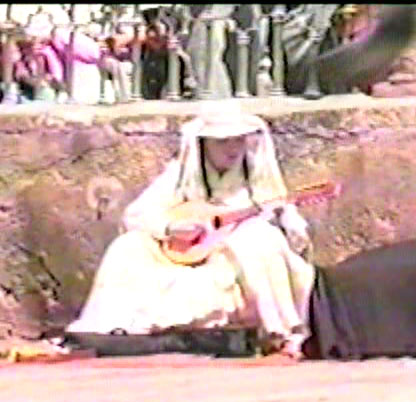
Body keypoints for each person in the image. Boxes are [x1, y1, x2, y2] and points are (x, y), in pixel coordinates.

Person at [65, 105, 316, 359]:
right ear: (205, 143)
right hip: (187, 253)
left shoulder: (256, 173)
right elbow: (136, 214)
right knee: (127, 246)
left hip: (232, 257)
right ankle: (106, 329)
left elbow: (282, 205)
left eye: (238, 140)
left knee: (259, 236)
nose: (232, 149)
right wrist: (170, 228)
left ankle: (281, 332)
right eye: (223, 142)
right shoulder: (183, 173)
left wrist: (292, 225)